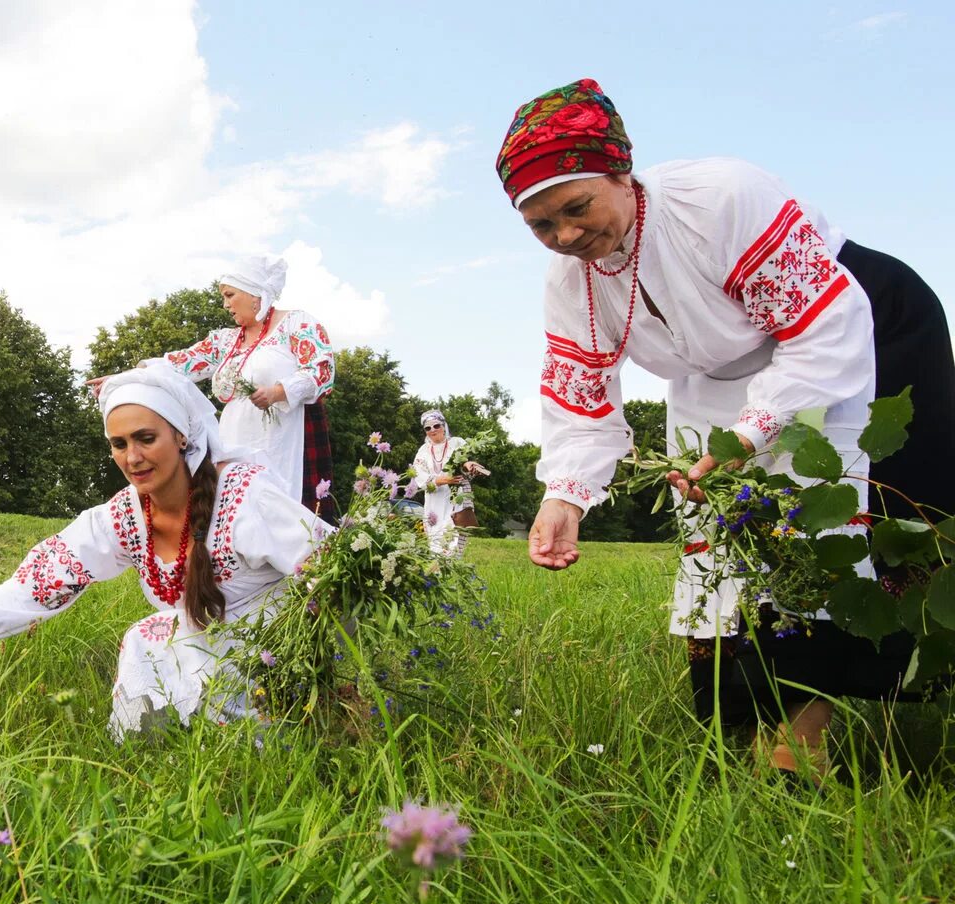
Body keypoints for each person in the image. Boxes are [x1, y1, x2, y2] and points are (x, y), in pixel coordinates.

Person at [500, 78, 955, 781]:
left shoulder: (717, 201)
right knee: (725, 537)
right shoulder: (571, 283)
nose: (565, 236)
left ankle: (803, 746)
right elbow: (581, 403)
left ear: (622, 174)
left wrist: (747, 438)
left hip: (852, 326)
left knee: (829, 520)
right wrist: (563, 497)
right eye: (541, 225)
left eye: (576, 207)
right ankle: (749, 730)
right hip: (721, 376)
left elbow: (822, 333)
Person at [0, 367, 329, 737]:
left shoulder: (247, 500)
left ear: (182, 436)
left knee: (185, 662)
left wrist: (332, 681)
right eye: (119, 444)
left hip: (272, 653)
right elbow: (31, 588)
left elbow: (335, 576)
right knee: (147, 640)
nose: (133, 457)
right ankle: (161, 745)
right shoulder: (122, 517)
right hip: (197, 646)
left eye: (146, 438)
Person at [93, 256, 338, 517]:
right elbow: (179, 363)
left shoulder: (296, 323)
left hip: (285, 435)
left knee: (283, 509)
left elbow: (322, 369)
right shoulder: (227, 340)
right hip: (235, 436)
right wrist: (122, 377)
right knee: (239, 505)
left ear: (254, 293)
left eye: (230, 295)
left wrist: (278, 391)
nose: (225, 304)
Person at [408, 409, 485, 557]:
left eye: (436, 425)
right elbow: (419, 477)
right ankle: (437, 573)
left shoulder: (457, 443)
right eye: (428, 428)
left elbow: (463, 463)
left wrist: (469, 466)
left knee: (454, 535)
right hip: (434, 500)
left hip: (455, 498)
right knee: (435, 536)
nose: (432, 430)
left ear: (443, 426)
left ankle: (453, 568)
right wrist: (442, 480)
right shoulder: (423, 451)